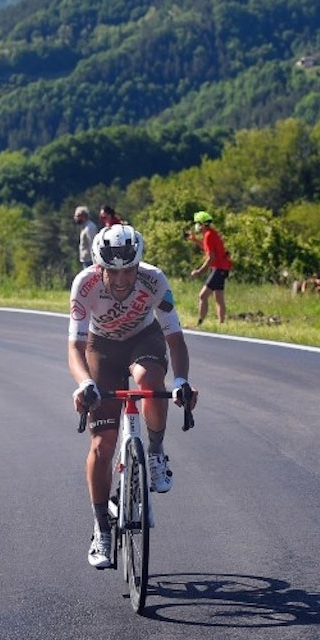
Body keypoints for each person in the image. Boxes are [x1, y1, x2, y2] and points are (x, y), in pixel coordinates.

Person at [68, 223, 196, 570]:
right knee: (102, 444)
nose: (122, 280)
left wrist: (182, 380)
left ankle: (154, 453)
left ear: (139, 264)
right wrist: (84, 384)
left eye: (129, 270)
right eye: (113, 271)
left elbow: (175, 339)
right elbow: (76, 346)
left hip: (144, 340)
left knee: (151, 383)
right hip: (102, 348)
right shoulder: (85, 285)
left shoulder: (155, 280)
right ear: (99, 267)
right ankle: (102, 528)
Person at [185, 210, 232, 325]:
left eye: (197, 223)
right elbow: (207, 248)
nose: (196, 226)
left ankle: (199, 323)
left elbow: (211, 257)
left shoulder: (209, 236)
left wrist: (199, 272)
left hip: (218, 268)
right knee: (218, 297)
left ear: (201, 224)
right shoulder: (210, 234)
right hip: (222, 268)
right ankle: (222, 324)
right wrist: (195, 240)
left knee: (203, 295)